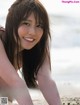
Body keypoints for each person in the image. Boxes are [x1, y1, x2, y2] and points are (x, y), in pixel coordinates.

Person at [0, 0, 61, 105]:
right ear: (12, 23)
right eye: (26, 23)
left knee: (5, 96)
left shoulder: (39, 47)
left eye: (39, 26)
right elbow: (15, 81)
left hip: (3, 97)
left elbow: (46, 80)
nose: (33, 32)